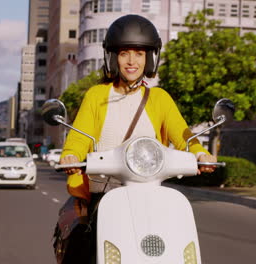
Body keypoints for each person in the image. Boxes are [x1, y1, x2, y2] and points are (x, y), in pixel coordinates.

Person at [54, 15, 217, 263]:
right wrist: (71, 155)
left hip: (150, 195)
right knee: (82, 249)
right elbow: (79, 137)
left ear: (149, 58)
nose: (132, 61)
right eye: (124, 53)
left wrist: (200, 153)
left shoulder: (160, 98)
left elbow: (184, 136)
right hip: (105, 196)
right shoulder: (97, 96)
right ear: (112, 57)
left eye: (139, 54)